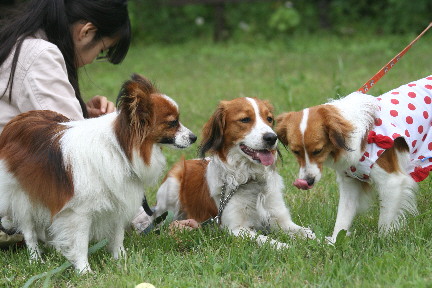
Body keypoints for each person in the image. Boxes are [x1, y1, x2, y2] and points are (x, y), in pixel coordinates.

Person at [0, 0, 196, 248]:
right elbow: (78, 159)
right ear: (86, 32)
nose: (95, 59)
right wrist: (144, 224)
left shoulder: (20, 43)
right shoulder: (41, 56)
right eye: (103, 50)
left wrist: (87, 113)